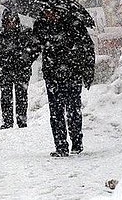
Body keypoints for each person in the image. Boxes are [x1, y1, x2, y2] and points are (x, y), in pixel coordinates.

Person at [33, 8, 95, 157]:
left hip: (72, 74)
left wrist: (87, 72)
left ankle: (76, 143)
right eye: (46, 12)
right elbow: (33, 47)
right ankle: (61, 146)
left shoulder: (73, 24)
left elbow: (87, 48)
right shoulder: (41, 26)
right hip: (52, 76)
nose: (50, 15)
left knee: (73, 110)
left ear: (59, 12)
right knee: (56, 113)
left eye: (52, 12)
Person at [0, 9, 40, 129]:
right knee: (6, 96)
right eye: (8, 20)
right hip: (5, 70)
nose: (11, 22)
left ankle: (21, 120)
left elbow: (36, 48)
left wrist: (27, 59)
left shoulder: (26, 32)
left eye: (13, 19)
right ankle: (8, 121)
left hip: (21, 70)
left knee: (21, 96)